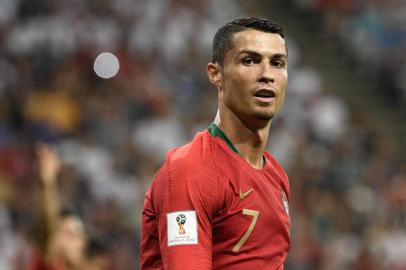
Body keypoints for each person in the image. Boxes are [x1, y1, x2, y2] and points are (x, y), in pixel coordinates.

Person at [141, 17, 290, 269]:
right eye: (250, 60)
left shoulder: (277, 176)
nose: (267, 75)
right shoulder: (191, 170)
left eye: (277, 63)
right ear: (216, 74)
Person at [28, 144, 87, 270]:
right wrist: (48, 182)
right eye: (69, 234)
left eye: (79, 235)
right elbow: (48, 226)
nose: (79, 242)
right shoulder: (48, 264)